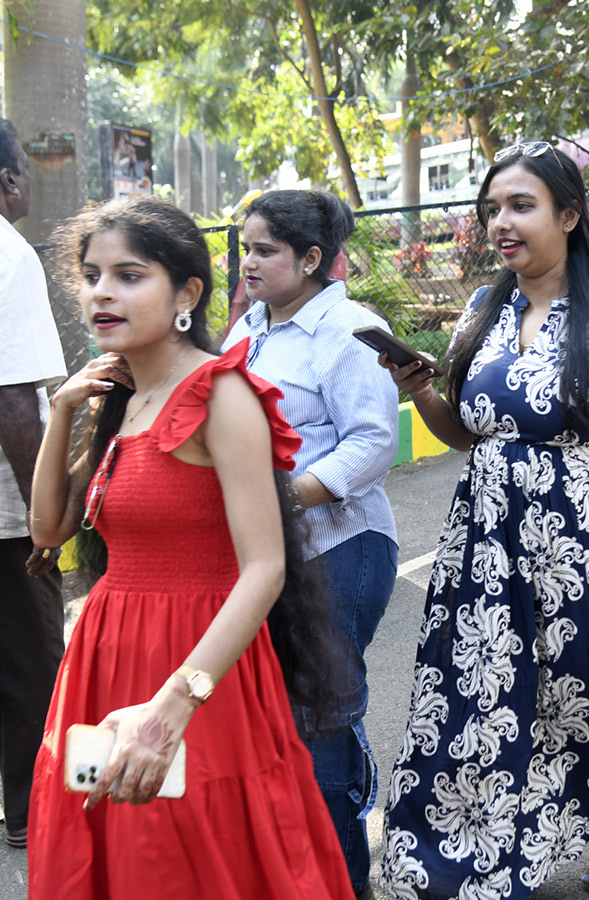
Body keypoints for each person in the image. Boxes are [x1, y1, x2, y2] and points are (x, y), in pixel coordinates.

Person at [377, 141, 589, 900]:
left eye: (520, 206)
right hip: (486, 543)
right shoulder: (487, 308)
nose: (500, 223)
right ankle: (462, 852)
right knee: (475, 694)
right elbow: (468, 432)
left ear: (569, 214)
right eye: (492, 209)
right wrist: (416, 389)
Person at [25, 195, 353, 899]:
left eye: (129, 275)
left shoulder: (220, 393)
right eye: (91, 275)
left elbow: (264, 568)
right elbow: (50, 531)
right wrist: (61, 411)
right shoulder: (126, 400)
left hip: (199, 673)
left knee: (193, 860)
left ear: (187, 292)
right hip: (107, 660)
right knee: (118, 849)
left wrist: (174, 704)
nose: (102, 292)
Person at [223, 189, 399, 900]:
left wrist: (281, 498)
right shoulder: (248, 330)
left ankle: (346, 883)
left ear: (313, 258)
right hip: (264, 557)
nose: (249, 259)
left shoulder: (348, 328)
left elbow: (373, 444)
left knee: (320, 723)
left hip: (340, 549)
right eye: (246, 246)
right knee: (271, 724)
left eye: (265, 248)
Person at [0, 118, 66, 851]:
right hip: (4, 513)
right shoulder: (10, 256)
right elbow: (16, 402)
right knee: (30, 658)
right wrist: (44, 522)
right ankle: (30, 809)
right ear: (7, 180)